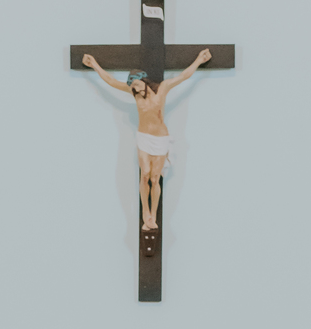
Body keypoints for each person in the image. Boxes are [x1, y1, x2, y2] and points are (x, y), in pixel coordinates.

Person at [80, 47, 212, 231]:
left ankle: (153, 216)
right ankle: (145, 215)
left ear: (143, 80)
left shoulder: (162, 89)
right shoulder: (135, 95)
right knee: (144, 175)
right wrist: (94, 64)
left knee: (155, 177)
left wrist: (199, 60)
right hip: (143, 138)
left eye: (136, 84)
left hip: (160, 139)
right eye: (132, 87)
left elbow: (183, 76)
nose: (135, 89)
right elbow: (110, 81)